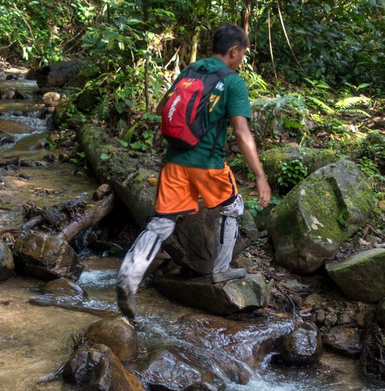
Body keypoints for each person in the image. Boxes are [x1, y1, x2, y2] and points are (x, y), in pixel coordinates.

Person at [116, 23, 271, 320]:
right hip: (208, 165)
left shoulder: (190, 70)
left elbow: (162, 108)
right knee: (233, 207)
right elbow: (241, 132)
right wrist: (260, 176)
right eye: (243, 53)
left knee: (162, 223)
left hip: (174, 161)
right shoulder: (233, 82)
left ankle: (128, 277)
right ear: (233, 51)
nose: (242, 59)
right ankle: (220, 270)